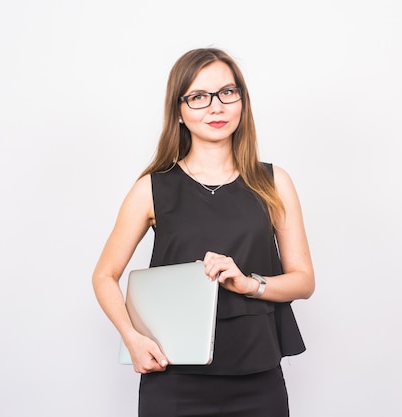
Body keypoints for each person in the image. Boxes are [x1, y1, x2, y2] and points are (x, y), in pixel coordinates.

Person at [92, 47, 315, 417]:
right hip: (174, 378)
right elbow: (104, 275)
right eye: (198, 97)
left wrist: (249, 284)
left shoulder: (275, 182)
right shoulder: (151, 188)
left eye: (228, 93)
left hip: (257, 377)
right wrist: (132, 338)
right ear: (178, 111)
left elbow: (304, 281)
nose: (216, 107)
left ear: (242, 101)